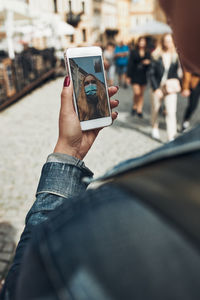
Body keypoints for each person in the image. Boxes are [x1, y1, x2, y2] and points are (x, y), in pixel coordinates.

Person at [1, 1, 200, 299]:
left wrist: (65, 156)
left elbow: (20, 292)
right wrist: (71, 149)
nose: (163, 4)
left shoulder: (92, 235)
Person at [149, 34, 182, 141]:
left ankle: (171, 136)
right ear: (162, 42)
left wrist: (177, 83)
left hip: (170, 88)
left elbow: (177, 73)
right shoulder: (155, 55)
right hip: (157, 87)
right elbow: (151, 73)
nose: (168, 43)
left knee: (171, 112)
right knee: (156, 109)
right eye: (166, 41)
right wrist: (156, 89)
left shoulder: (176, 56)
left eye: (170, 41)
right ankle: (154, 128)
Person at [127, 36, 151, 117]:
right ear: (138, 42)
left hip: (143, 74)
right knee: (136, 93)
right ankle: (134, 105)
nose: (142, 43)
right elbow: (130, 64)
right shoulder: (133, 51)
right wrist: (128, 76)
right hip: (135, 74)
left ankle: (139, 109)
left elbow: (151, 64)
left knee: (141, 94)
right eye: (141, 41)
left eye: (143, 41)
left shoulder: (147, 52)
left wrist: (148, 62)